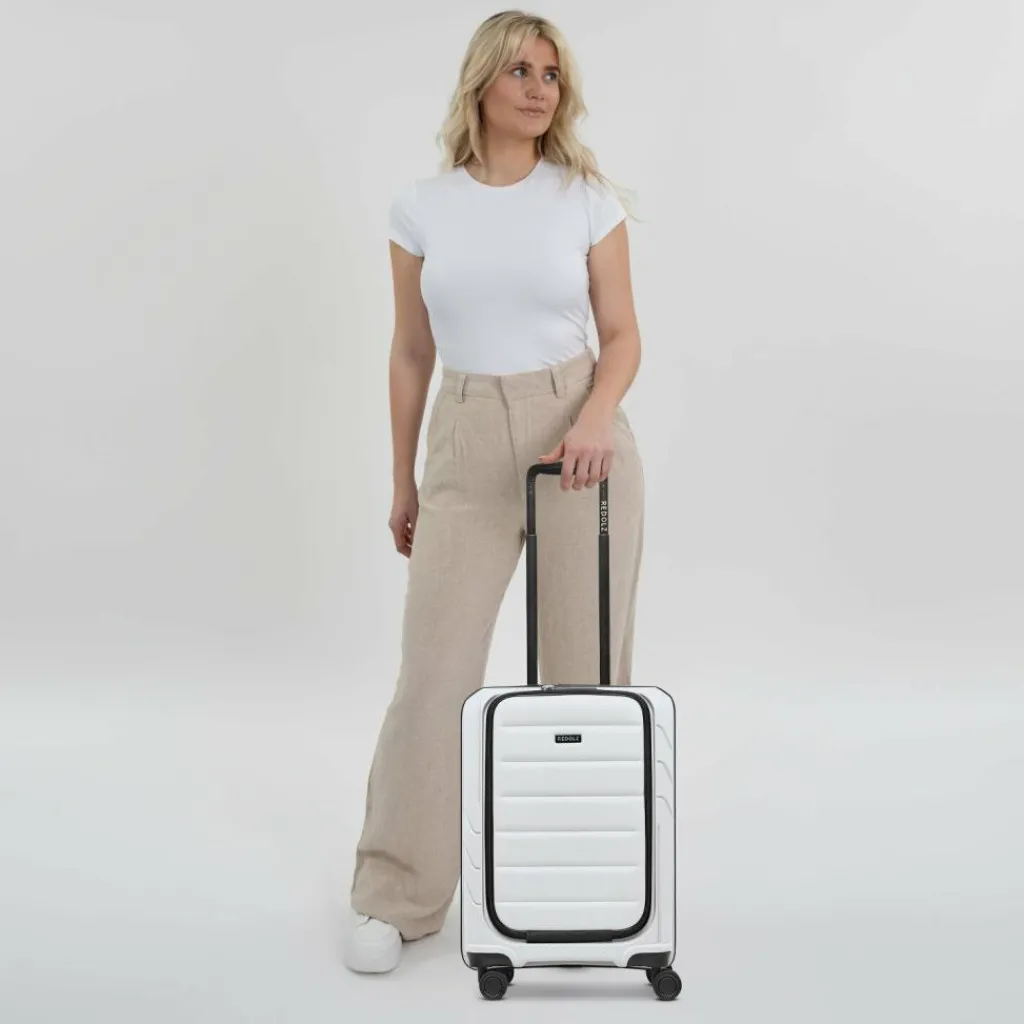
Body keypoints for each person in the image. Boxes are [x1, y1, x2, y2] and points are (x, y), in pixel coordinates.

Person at [343, 9, 646, 974]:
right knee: (434, 678)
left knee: (582, 679)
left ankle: (584, 891)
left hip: (577, 437)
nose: (538, 87)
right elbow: (410, 352)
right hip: (464, 439)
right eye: (520, 70)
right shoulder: (421, 208)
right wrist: (403, 476)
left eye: (551, 74)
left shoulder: (585, 199)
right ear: (480, 82)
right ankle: (395, 897)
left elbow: (623, 335)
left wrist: (594, 417)